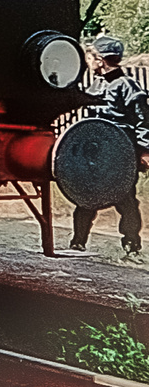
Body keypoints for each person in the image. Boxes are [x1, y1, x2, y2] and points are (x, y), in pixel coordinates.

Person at [71, 34, 149, 255]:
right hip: (96, 153)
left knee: (125, 199)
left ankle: (131, 244)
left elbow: (143, 120)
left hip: (121, 153)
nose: (88, 62)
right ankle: (78, 242)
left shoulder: (127, 86)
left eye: (90, 57)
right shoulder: (97, 84)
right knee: (86, 196)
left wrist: (144, 150)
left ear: (100, 59)